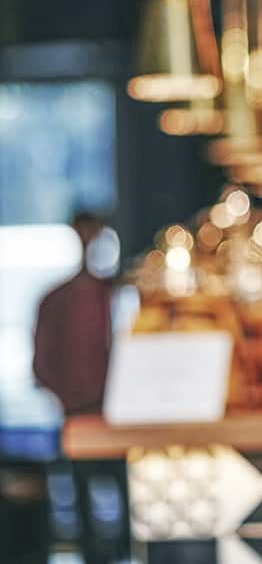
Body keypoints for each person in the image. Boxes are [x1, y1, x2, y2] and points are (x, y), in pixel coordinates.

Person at [32, 211, 129, 564]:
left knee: (134, 506)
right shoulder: (56, 301)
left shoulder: (121, 296)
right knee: (86, 511)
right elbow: (42, 363)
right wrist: (74, 401)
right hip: (78, 416)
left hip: (126, 420)